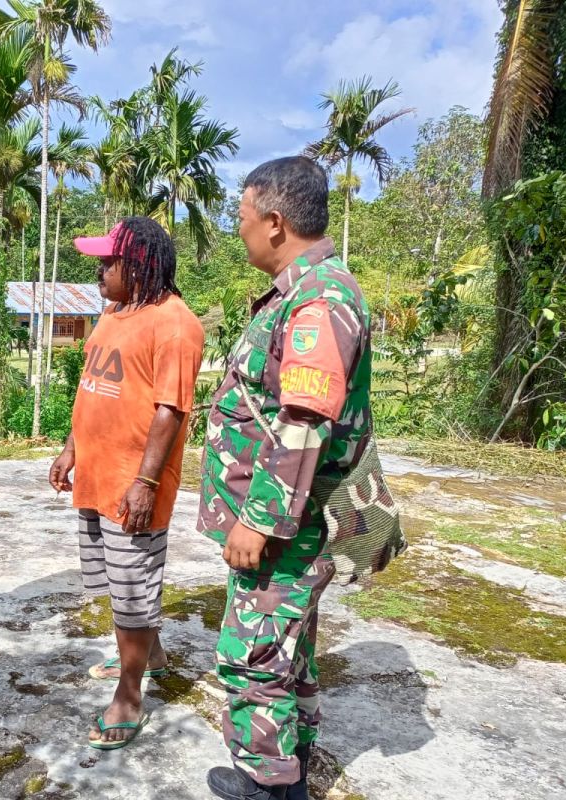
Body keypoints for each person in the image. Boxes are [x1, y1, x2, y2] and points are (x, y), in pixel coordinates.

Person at [199, 157, 373, 800]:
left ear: (274, 223)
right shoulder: (301, 291)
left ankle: (267, 784)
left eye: (242, 219)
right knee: (287, 646)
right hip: (287, 520)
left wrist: (259, 519)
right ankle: (289, 768)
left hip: (285, 525)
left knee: (254, 651)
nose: (238, 230)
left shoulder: (319, 299)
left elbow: (302, 421)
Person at [48, 216, 204, 750]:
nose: (98, 271)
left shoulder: (176, 324)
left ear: (138, 265)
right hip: (96, 475)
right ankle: (151, 653)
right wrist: (72, 448)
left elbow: (171, 410)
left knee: (133, 593)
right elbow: (93, 385)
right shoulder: (114, 313)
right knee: (116, 583)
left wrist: (145, 481)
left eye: (107, 262)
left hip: (132, 485)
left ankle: (130, 695)